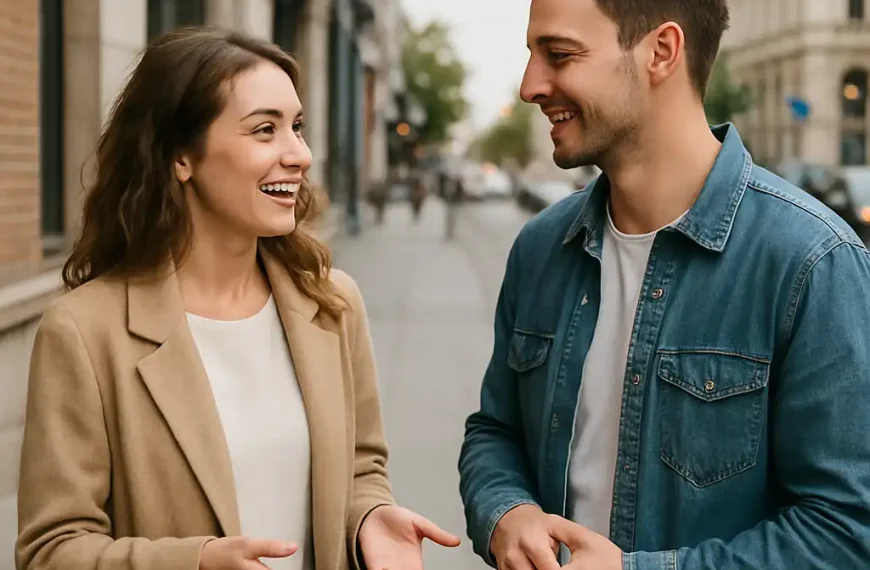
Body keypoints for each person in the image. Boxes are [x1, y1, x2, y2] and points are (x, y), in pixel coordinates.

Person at [16, 27, 459, 570]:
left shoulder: (332, 303)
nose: (298, 154)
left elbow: (361, 470)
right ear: (183, 156)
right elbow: (52, 549)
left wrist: (368, 518)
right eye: (264, 130)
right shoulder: (83, 332)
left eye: (296, 127)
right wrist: (194, 562)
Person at [458, 0, 870, 569]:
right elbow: (495, 430)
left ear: (661, 51)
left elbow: (846, 533)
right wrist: (506, 511)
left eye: (559, 55)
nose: (531, 85)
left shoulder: (811, 262)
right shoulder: (540, 248)